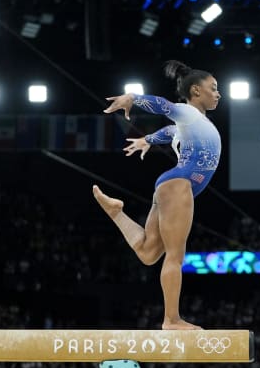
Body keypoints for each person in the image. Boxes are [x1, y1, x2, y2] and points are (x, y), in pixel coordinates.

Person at [93, 60, 221, 330]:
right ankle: (171, 320)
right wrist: (133, 98)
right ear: (196, 91)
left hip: (171, 186)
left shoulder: (191, 122)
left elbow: (170, 132)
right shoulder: (188, 112)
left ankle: (116, 213)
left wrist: (147, 140)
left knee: (149, 253)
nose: (218, 93)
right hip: (179, 185)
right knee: (175, 256)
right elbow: (166, 106)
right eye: (213, 88)